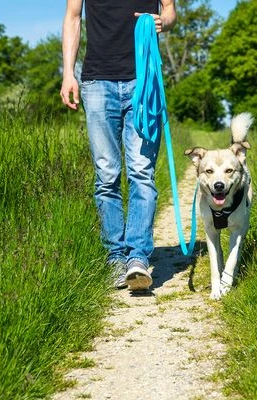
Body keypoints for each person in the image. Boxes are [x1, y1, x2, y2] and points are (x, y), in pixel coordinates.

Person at [60, 0, 177, 290]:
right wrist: (68, 73)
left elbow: (170, 11)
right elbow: (73, 18)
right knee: (106, 176)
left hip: (143, 79)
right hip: (97, 82)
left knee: (142, 173)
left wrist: (163, 22)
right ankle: (115, 258)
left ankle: (137, 257)